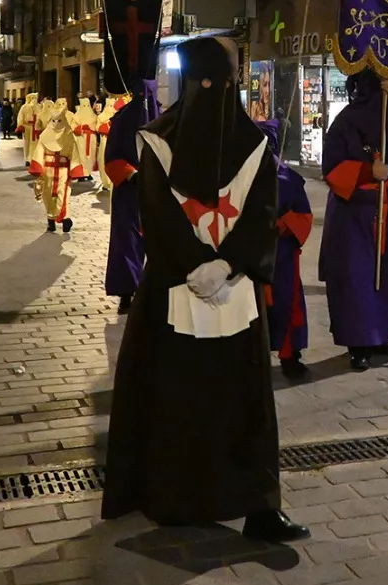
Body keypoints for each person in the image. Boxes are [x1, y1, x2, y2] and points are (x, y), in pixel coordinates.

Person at [100, 37, 308, 544]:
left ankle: (259, 506)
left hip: (235, 295)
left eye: (222, 83)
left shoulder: (256, 145)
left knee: (246, 406)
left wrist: (231, 265)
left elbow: (261, 214)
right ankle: (174, 498)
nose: (212, 93)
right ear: (191, 83)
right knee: (177, 400)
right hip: (174, 287)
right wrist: (198, 266)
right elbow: (158, 214)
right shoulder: (155, 140)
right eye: (204, 83)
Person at [320, 69, 388, 371]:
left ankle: (382, 333)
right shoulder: (344, 121)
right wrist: (368, 172)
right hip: (354, 214)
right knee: (356, 279)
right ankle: (359, 341)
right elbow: (331, 167)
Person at [260, 118, 313, 379]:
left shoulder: (290, 179)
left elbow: (304, 216)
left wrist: (281, 225)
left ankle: (290, 355)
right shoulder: (237, 175)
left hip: (282, 255)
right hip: (251, 253)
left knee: (285, 304)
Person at [104, 83, 160, 310]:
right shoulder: (122, 120)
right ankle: (126, 291)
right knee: (126, 241)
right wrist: (131, 174)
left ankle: (157, 293)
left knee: (159, 241)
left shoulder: (164, 119)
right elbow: (112, 157)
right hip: (129, 191)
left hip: (157, 191)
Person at [30, 99, 82, 232]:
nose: (57, 124)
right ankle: (50, 219)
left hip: (63, 170)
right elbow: (39, 152)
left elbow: (73, 153)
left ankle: (65, 218)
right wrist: (37, 167)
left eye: (59, 121)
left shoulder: (68, 136)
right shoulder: (44, 136)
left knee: (64, 194)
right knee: (48, 195)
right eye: (54, 121)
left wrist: (75, 168)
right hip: (48, 170)